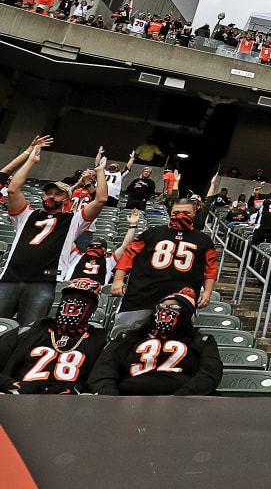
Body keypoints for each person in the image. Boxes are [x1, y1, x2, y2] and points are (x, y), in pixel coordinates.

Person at [2, 147, 107, 326]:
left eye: (58, 194)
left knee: (29, 329)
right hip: (10, 277)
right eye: (49, 193)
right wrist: (31, 161)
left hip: (43, 281)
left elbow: (101, 200)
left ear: (67, 199)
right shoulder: (26, 215)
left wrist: (100, 172)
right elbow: (13, 190)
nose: (52, 196)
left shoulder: (73, 219)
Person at [88, 288, 223, 396]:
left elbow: (210, 374)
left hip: (181, 405)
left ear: (186, 315)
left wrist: (180, 399)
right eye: (161, 307)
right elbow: (104, 370)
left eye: (174, 309)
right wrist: (110, 398)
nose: (165, 311)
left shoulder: (201, 340)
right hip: (128, 400)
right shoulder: (128, 338)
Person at [111, 198, 217, 327]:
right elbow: (128, 256)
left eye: (186, 213)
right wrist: (118, 280)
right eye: (176, 212)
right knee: (126, 335)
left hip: (180, 299)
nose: (180, 216)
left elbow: (211, 269)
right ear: (170, 212)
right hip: (141, 295)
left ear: (194, 214)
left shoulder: (204, 240)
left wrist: (207, 292)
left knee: (174, 340)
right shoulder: (151, 233)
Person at [0, 278, 108, 394]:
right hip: (19, 396)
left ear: (94, 308)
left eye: (83, 301)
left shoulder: (100, 342)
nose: (73, 304)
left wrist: (75, 389)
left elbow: (102, 380)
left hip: (69, 403)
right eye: (69, 299)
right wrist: (10, 384)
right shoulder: (28, 332)